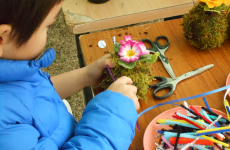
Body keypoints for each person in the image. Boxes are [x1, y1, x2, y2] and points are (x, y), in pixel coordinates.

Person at [0, 0, 140, 149]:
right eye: (48, 26)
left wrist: (85, 76)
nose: (48, 31)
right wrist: (114, 111)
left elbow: (36, 95)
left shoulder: (11, 73)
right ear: (2, 37)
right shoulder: (5, 130)